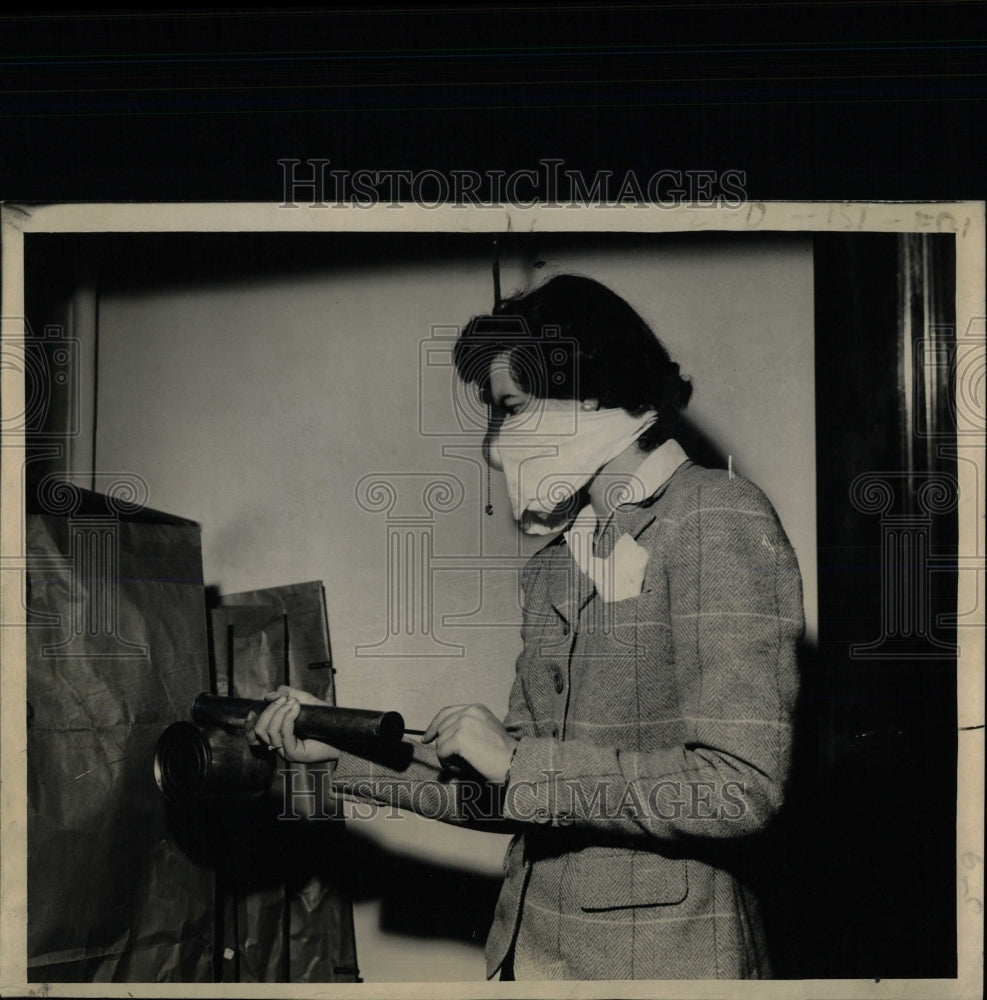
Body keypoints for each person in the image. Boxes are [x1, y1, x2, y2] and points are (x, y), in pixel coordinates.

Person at [249, 274, 804, 981]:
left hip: (669, 966)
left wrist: (519, 764)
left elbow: (739, 787)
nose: (495, 444)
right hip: (531, 958)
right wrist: (336, 749)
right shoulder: (554, 564)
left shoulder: (716, 517)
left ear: (591, 391)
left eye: (511, 409)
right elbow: (504, 789)